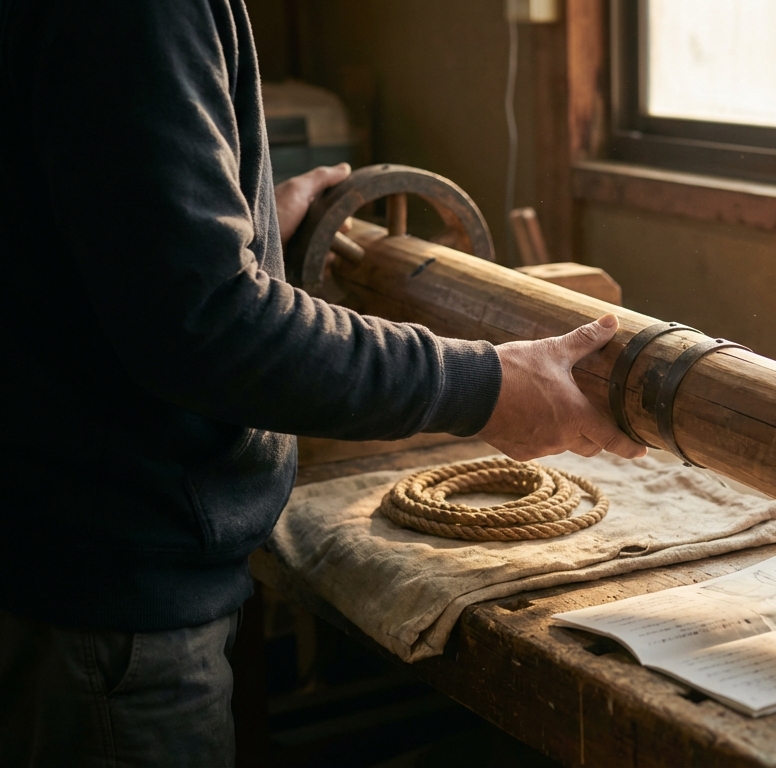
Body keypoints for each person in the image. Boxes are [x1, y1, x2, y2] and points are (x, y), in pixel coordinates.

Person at [0, 1, 644, 765]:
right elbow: (205, 326)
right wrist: (487, 387)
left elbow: (88, 237)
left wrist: (248, 235)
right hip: (97, 609)